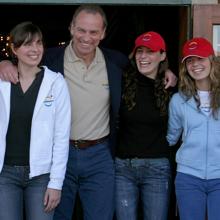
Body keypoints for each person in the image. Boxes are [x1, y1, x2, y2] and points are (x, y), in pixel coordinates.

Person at [0, 5, 177, 220]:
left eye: (94, 32)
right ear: (71, 28)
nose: (87, 37)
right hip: (58, 155)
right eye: (81, 30)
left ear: (103, 33)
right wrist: (4, 62)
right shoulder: (51, 59)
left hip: (99, 154)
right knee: (57, 215)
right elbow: (26, 59)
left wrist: (166, 70)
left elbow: (145, 69)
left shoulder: (115, 62)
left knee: (100, 215)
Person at [0, 22, 71, 220]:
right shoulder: (2, 81)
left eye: (38, 43)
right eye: (28, 44)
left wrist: (56, 183)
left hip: (41, 176)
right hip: (4, 174)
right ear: (14, 49)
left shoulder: (56, 83)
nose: (35, 49)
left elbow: (61, 136)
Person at [115, 31, 172, 220]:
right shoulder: (122, 82)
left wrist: (172, 74)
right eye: (140, 51)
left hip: (157, 169)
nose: (143, 57)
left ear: (162, 55)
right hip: (123, 168)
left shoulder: (171, 89)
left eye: (150, 51)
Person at [167, 37, 220, 220]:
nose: (195, 64)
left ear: (211, 61)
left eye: (200, 58)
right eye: (190, 60)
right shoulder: (178, 100)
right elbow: (171, 138)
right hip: (188, 177)